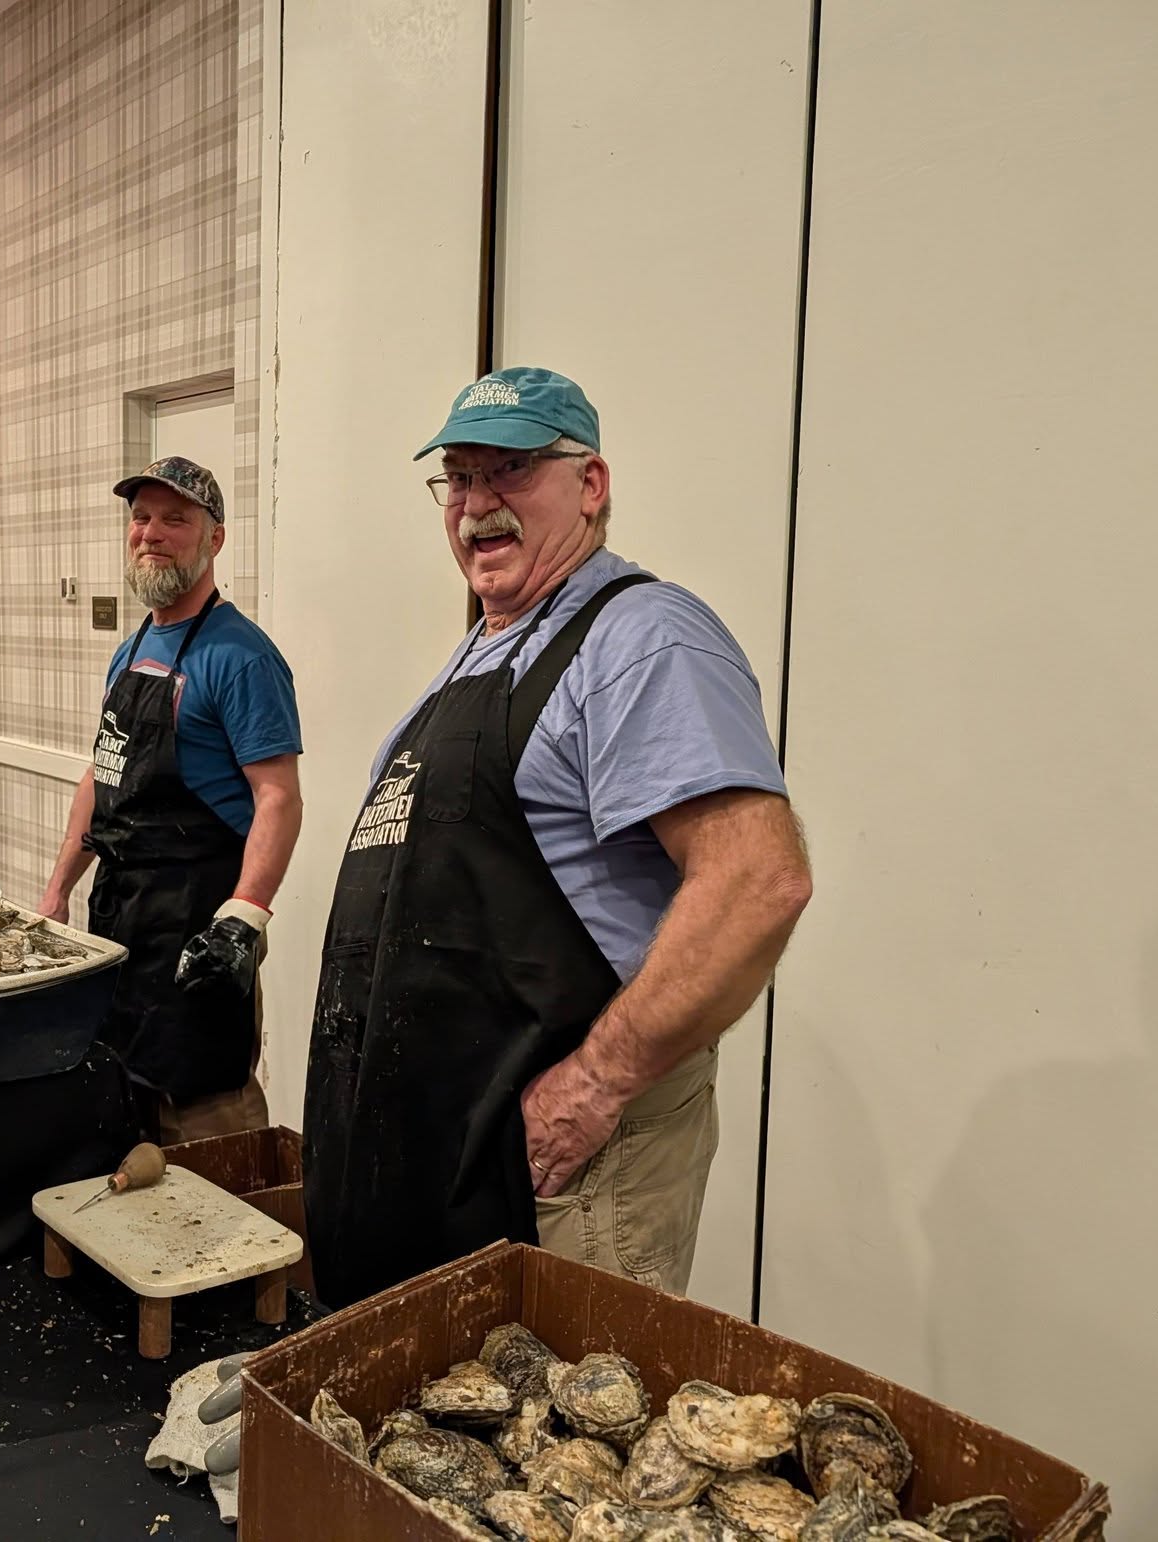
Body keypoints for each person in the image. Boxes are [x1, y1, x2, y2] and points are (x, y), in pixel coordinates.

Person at [301, 368, 813, 1309]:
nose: (477, 505)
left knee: (560, 1441)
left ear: (592, 484)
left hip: (557, 1179)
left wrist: (595, 1084)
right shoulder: (484, 647)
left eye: (512, 471)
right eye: (458, 477)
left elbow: (757, 883)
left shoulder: (642, 638)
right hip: (446, 1161)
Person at [40, 458, 302, 1142]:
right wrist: (57, 891)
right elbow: (101, 774)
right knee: (125, 1105)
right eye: (141, 517)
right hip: (122, 921)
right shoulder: (128, 653)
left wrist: (241, 923)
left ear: (214, 539)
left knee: (208, 1123)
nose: (152, 533)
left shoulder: (242, 657)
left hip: (196, 926)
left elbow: (278, 798)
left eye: (175, 519)